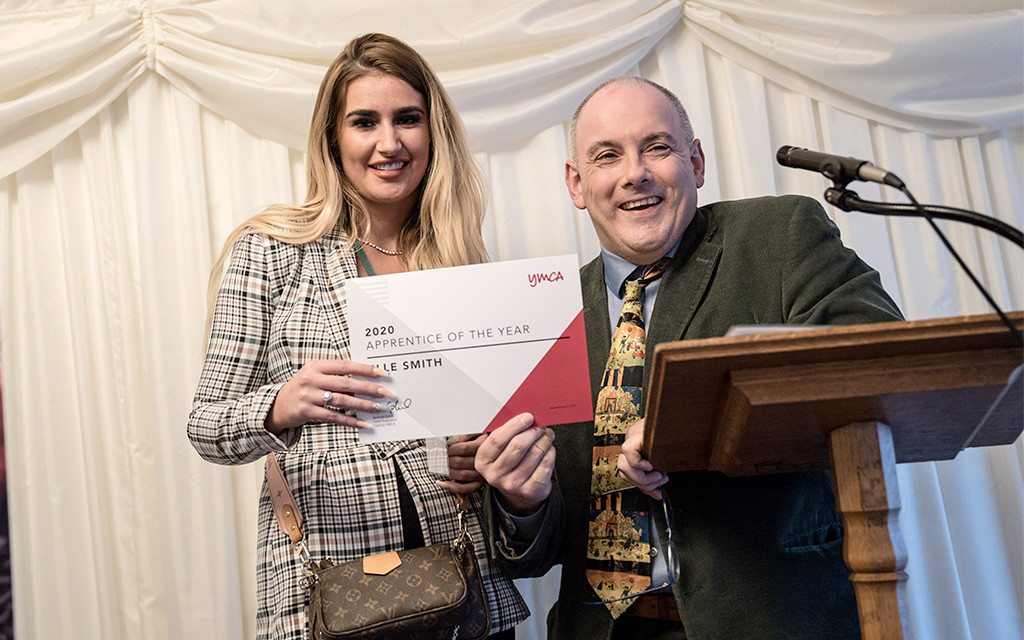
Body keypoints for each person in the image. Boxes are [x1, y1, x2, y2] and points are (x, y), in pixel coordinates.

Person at [474, 76, 904, 640]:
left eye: (658, 147)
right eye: (607, 156)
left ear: (696, 162)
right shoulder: (540, 313)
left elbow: (875, 352)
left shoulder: (777, 236)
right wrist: (519, 500)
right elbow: (531, 556)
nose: (635, 172)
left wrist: (690, 425)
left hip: (774, 618)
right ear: (577, 184)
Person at [187, 33, 527, 640]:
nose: (388, 143)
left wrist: (473, 457)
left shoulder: (458, 263)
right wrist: (280, 403)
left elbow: (463, 430)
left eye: (408, 120)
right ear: (332, 138)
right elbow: (206, 428)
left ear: (434, 133)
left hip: (461, 588)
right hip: (331, 596)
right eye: (364, 121)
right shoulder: (271, 251)